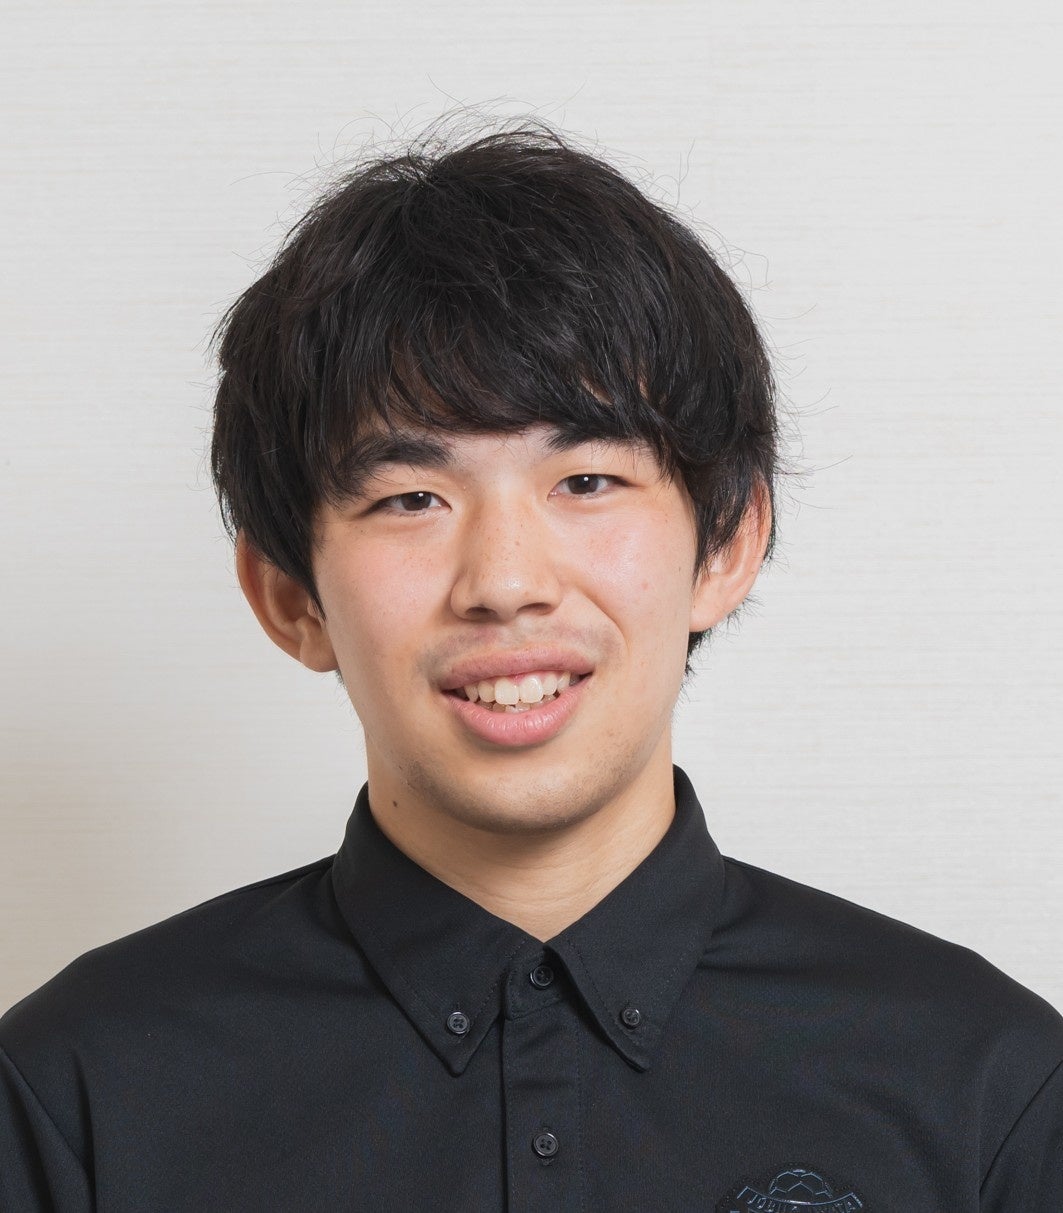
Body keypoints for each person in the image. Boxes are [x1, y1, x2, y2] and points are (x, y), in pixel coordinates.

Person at [1, 119, 1059, 1212]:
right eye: (411, 497)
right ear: (288, 596)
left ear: (727, 544)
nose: (505, 581)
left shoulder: (987, 1086)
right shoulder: (75, 1096)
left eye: (587, 481)